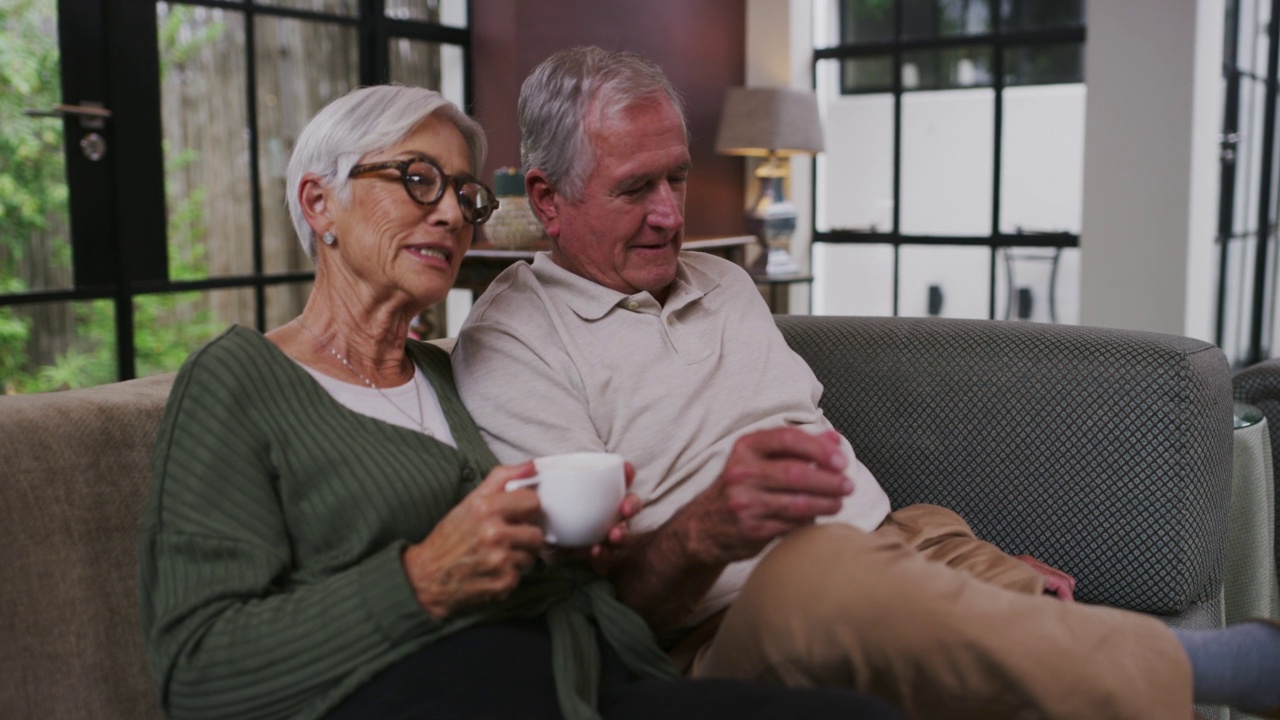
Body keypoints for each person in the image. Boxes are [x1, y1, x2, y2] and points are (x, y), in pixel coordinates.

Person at [450, 46, 1280, 720]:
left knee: (1055, 664)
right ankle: (1232, 665)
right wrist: (707, 530)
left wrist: (961, 564)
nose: (671, 213)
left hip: (900, 541)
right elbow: (599, 613)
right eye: (637, 189)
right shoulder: (514, 345)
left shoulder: (726, 283)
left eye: (677, 177)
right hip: (728, 622)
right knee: (814, 572)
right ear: (548, 201)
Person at [135, 84, 906, 720]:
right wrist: (422, 578)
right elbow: (197, 672)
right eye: (415, 179)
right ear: (319, 202)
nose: (449, 213)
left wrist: (576, 560)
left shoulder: (446, 376)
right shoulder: (236, 383)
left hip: (592, 674)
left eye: (464, 196)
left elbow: (531, 570)